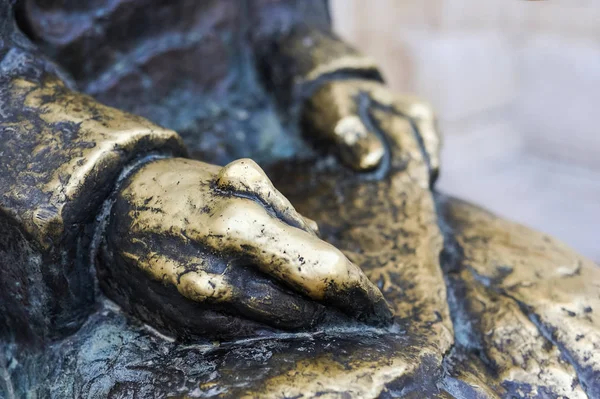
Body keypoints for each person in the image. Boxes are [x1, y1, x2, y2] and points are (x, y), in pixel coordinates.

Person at [0, 1, 597, 397]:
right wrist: (104, 194)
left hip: (264, 144)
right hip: (49, 228)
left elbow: (268, 13)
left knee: (574, 327)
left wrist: (314, 67)